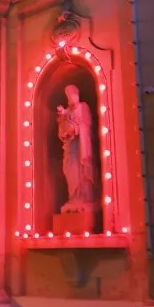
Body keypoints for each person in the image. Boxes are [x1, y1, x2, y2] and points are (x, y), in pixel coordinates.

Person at [56, 84, 96, 212]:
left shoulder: (83, 107)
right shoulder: (66, 111)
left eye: (74, 95)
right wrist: (64, 129)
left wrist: (77, 128)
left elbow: (87, 124)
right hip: (71, 146)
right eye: (70, 96)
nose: (73, 98)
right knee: (70, 170)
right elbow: (61, 130)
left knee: (82, 170)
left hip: (81, 145)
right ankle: (73, 197)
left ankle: (85, 197)